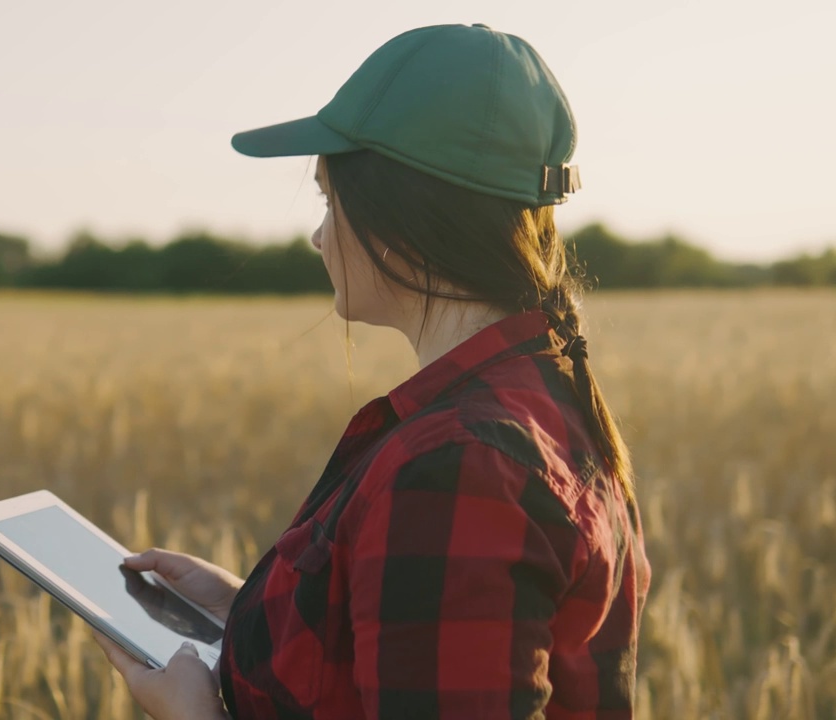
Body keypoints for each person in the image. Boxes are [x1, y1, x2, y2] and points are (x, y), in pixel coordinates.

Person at [94, 23, 651, 719]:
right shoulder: (531, 405)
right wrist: (250, 615)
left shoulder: (460, 465)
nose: (319, 233)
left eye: (331, 198)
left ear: (403, 216)